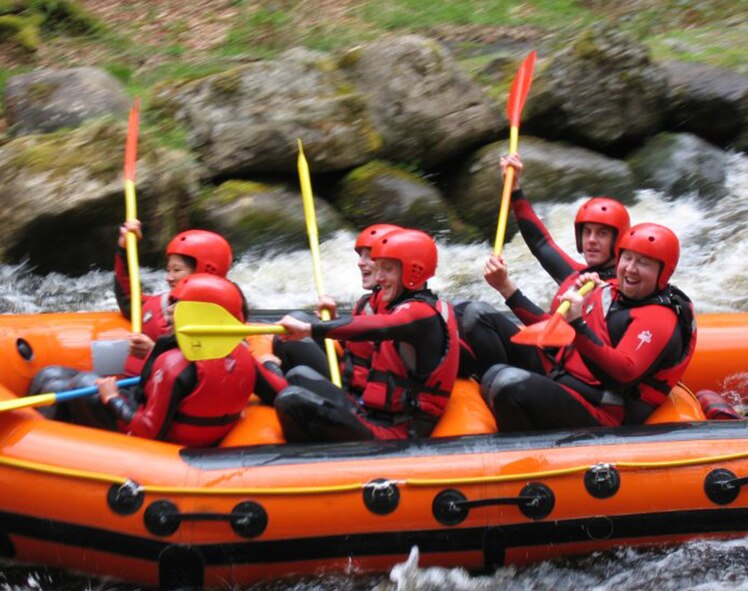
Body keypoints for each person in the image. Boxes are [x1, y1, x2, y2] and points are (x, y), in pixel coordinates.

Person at [481, 222, 697, 431]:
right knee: (477, 315)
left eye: (644, 263)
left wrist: (578, 324)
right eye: (627, 258)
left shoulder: (660, 319)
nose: (631, 269)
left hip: (607, 410)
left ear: (664, 272)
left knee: (504, 381)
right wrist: (506, 288)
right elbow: (551, 330)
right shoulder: (608, 288)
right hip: (569, 376)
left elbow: (620, 375)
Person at [272, 228, 460, 442]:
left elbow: (380, 326)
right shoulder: (396, 305)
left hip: (398, 431)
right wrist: (330, 321)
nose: (379, 278)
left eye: (387, 269)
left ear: (414, 271)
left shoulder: (422, 314)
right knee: (299, 375)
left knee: (291, 401)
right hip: (369, 413)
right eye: (378, 269)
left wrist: (310, 329)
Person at [458, 153, 631, 379]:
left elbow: (556, 333)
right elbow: (541, 243)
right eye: (587, 232)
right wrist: (514, 187)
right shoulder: (579, 274)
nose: (591, 240)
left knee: (477, 313)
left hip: (562, 373)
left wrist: (506, 289)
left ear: (618, 239)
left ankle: (491, 389)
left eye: (602, 234)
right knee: (459, 307)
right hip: (545, 357)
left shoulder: (613, 291)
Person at [96, 273, 286, 447]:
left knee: (83, 384)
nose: (168, 311)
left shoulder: (174, 365)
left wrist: (113, 399)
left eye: (177, 306)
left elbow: (148, 431)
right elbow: (279, 391)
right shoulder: (241, 354)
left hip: (170, 450)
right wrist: (269, 364)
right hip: (207, 440)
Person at [272, 223, 401, 392]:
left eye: (368, 256)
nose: (360, 263)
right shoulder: (367, 302)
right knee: (297, 319)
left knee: (291, 343)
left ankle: (274, 378)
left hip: (362, 394)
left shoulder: (406, 311)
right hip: (350, 375)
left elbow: (380, 336)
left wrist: (311, 329)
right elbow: (358, 347)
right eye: (360, 256)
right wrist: (333, 321)